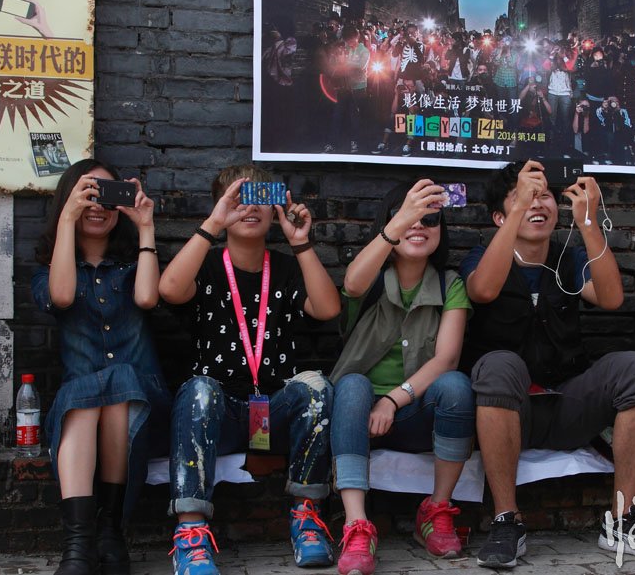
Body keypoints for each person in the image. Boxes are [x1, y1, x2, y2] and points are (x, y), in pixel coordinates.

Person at [460, 160, 635, 568]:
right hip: (507, 410)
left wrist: (588, 223)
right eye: (523, 197)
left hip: (566, 402)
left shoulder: (567, 258)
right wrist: (519, 209)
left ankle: (622, 520)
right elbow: (482, 290)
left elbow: (611, 299)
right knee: (498, 365)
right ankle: (507, 521)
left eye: (545, 196)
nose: (538, 204)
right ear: (500, 216)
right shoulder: (481, 257)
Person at [158, 165, 341, 575]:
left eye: (261, 197)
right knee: (199, 389)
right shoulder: (206, 265)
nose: (250, 207)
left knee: (316, 386)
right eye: (238, 199)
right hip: (218, 411)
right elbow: (169, 290)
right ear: (220, 207)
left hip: (272, 409)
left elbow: (328, 309)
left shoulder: (287, 267)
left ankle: (307, 518)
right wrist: (212, 224)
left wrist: (300, 242)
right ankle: (191, 534)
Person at [32, 159, 172, 575]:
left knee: (119, 380)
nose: (97, 206)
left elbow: (147, 298)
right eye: (88, 194)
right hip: (82, 411)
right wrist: (67, 219)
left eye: (107, 196)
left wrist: (146, 226)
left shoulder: (132, 268)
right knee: (89, 392)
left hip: (140, 405)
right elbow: (61, 296)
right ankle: (84, 543)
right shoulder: (49, 273)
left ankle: (106, 532)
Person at [329, 180, 475, 575]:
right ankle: (357, 525)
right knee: (353, 385)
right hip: (356, 415)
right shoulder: (372, 276)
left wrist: (393, 400)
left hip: (412, 411)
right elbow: (352, 283)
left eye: (430, 219)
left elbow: (446, 359)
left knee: (457, 386)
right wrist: (402, 219)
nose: (418, 226)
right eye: (408, 216)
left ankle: (436, 510)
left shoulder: (448, 284)